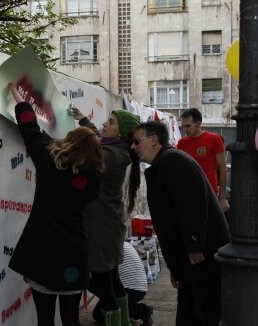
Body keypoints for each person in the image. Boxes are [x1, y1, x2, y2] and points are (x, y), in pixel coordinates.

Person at [7, 83, 104, 326]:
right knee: (71, 319)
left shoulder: (48, 160)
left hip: (43, 252)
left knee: (45, 319)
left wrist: (19, 100)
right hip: (73, 253)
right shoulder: (94, 179)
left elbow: (30, 129)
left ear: (68, 141)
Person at [131, 121, 230, 326]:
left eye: (136, 141)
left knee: (205, 311)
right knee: (190, 310)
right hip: (190, 259)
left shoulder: (173, 160)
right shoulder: (164, 163)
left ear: (154, 139)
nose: (133, 147)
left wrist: (195, 246)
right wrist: (176, 268)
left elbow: (192, 206)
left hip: (201, 257)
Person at [72, 107, 141, 326]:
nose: (104, 124)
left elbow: (83, 155)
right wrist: (83, 120)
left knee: (103, 286)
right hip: (110, 226)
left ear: (120, 133)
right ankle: (125, 322)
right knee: (113, 280)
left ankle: (117, 320)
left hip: (102, 229)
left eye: (110, 122)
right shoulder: (117, 149)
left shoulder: (112, 156)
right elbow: (98, 139)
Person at [177, 108, 229, 212]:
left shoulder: (214, 139)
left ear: (198, 123)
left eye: (188, 126)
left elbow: (223, 168)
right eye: (183, 126)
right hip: (187, 192)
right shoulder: (182, 143)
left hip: (208, 191)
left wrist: (222, 198)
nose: (185, 130)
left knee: (208, 226)